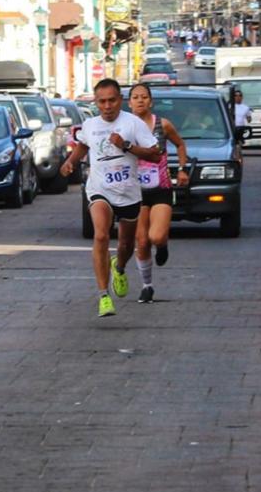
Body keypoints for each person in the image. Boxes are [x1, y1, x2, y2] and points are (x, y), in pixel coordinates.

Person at [59, 78, 161, 318]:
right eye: (102, 101)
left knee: (125, 246)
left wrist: (125, 145)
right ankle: (104, 295)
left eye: (111, 100)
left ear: (120, 100)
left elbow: (155, 155)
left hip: (128, 192)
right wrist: (70, 162)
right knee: (101, 234)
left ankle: (120, 266)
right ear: (95, 102)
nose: (107, 106)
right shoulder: (90, 124)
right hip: (99, 188)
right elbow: (84, 146)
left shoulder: (133, 123)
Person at [128, 83, 190, 303]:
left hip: (161, 188)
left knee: (155, 236)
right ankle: (147, 285)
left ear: (150, 101)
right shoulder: (123, 128)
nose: (140, 101)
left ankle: (162, 244)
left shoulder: (162, 125)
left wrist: (182, 169)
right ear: (129, 102)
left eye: (144, 97)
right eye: (135, 97)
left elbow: (180, 145)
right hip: (134, 192)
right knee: (142, 241)